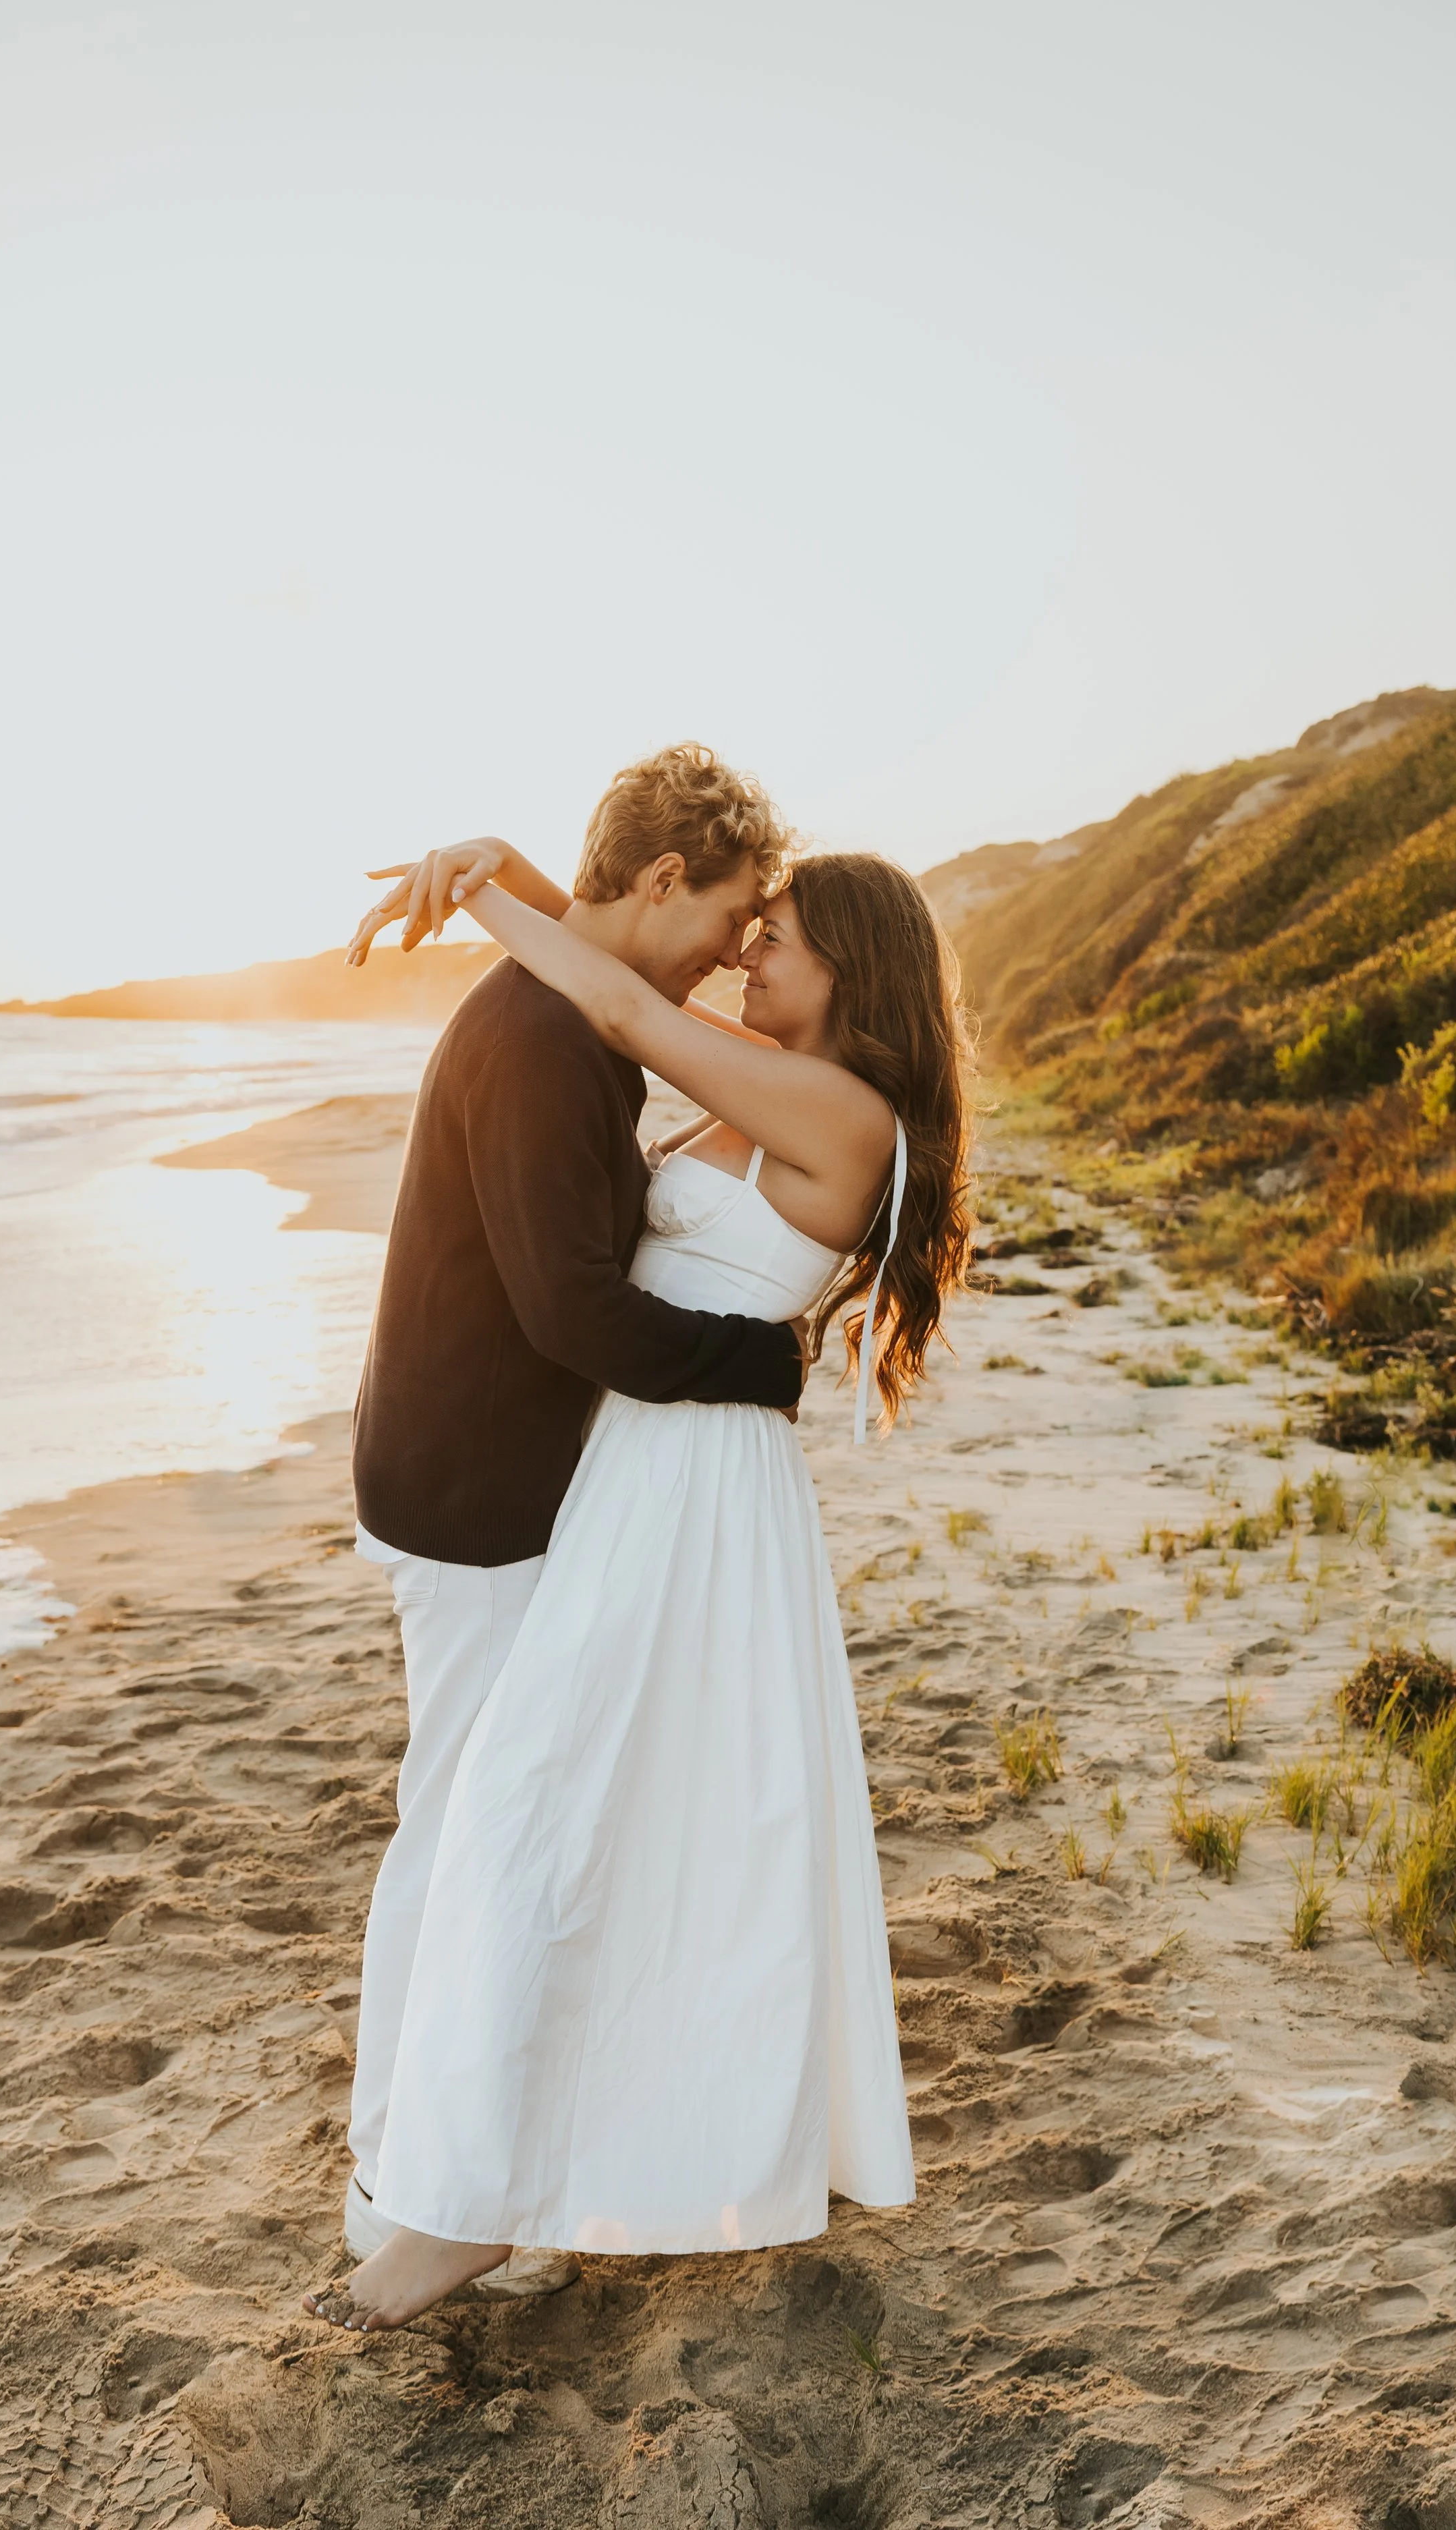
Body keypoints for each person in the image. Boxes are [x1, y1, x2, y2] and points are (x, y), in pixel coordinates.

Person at [305, 770, 974, 2334]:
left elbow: (612, 993)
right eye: (748, 922)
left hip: (686, 1479)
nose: (751, 955)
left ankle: (463, 2203)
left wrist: (485, 881)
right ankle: (488, 2172)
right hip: (644, 1467)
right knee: (570, 1817)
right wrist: (528, 876)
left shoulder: (833, 1109)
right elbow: (620, 964)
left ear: (849, 972)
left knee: (548, 1813)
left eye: (780, 938)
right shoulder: (769, 1074)